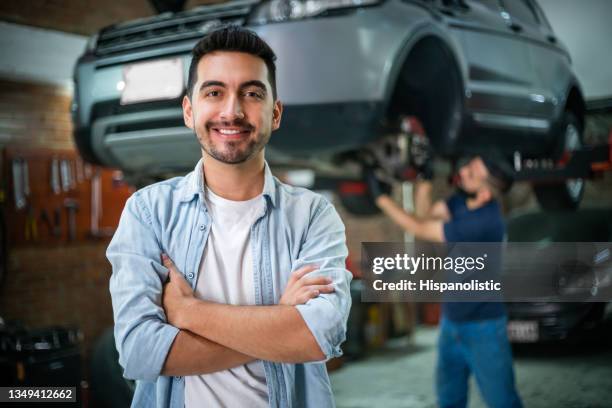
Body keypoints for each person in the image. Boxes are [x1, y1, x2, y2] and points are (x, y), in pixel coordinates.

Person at [107, 26, 352, 408]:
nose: (232, 111)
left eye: (252, 93)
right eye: (214, 92)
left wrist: (189, 312)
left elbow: (317, 337)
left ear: (275, 112)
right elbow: (139, 352)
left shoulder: (312, 216)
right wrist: (281, 322)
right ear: (189, 111)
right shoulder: (148, 213)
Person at [366, 156, 522, 408]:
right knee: (449, 401)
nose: (463, 171)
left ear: (484, 193)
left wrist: (379, 197)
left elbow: (418, 228)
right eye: (468, 165)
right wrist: (425, 183)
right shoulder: (462, 202)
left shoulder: (483, 223)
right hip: (451, 323)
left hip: (483, 329)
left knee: (502, 402)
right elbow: (425, 216)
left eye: (471, 173)